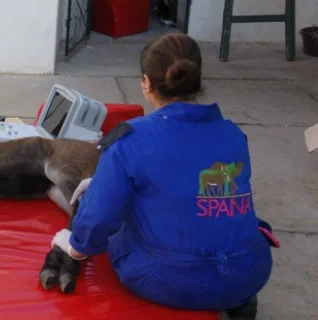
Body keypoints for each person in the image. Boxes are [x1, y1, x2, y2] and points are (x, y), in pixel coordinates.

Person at [49, 32, 276, 320]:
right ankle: (239, 301)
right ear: (197, 78)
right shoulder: (233, 133)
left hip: (168, 281)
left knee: (118, 222)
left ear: (146, 82)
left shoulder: (131, 140)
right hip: (251, 272)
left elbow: (98, 219)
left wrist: (74, 246)